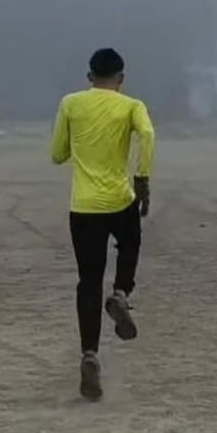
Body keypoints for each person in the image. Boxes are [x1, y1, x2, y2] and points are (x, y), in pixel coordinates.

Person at [50, 48, 155, 400]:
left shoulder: (71, 103)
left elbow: (57, 154)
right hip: (119, 199)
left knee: (88, 280)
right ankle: (122, 293)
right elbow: (148, 136)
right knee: (131, 243)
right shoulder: (131, 106)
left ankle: (90, 354)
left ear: (89, 76)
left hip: (83, 207)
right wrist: (141, 178)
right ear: (121, 79)